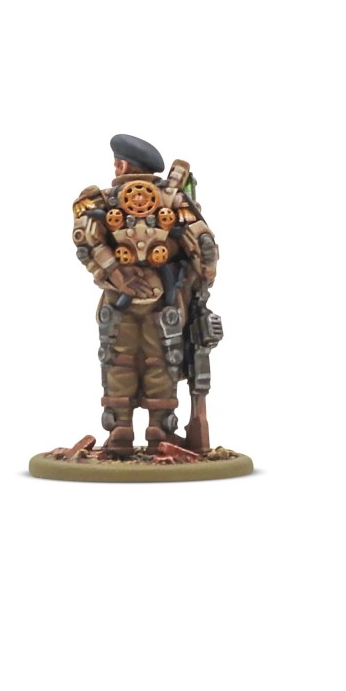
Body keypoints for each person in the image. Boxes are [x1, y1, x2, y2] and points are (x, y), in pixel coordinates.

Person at [72, 134, 219, 457]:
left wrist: (115, 273)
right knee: (162, 360)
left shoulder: (102, 200)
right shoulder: (174, 200)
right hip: (162, 297)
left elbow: (85, 238)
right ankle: (159, 430)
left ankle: (120, 429)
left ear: (122, 165)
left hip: (119, 298)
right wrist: (202, 280)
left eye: (117, 163)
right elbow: (203, 243)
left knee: (118, 359)